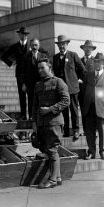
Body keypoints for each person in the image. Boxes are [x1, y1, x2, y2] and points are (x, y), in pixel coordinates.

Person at [32, 59, 70, 189]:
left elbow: (66, 101)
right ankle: (58, 177)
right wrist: (34, 123)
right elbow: (35, 106)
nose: (40, 70)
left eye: (43, 67)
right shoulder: (38, 85)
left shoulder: (58, 82)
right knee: (47, 150)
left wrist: (50, 109)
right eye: (39, 68)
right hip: (42, 124)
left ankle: (52, 180)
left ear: (49, 67)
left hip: (54, 122)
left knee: (52, 149)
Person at [52, 35, 86, 140]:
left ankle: (76, 131)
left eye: (63, 44)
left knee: (74, 110)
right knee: (64, 111)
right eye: (60, 45)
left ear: (67, 44)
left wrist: (78, 80)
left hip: (72, 88)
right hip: (61, 90)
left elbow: (82, 70)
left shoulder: (73, 55)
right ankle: (66, 131)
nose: (61, 46)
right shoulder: (56, 57)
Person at [81, 52, 104, 160]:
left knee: (103, 131)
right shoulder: (88, 75)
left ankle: (103, 152)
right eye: (96, 62)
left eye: (100, 62)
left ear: (103, 63)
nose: (97, 64)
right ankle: (91, 152)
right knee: (89, 131)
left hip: (103, 107)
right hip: (89, 108)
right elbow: (83, 91)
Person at [0, 26, 30, 120]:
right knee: (22, 95)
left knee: (31, 95)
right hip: (20, 74)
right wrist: (11, 62)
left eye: (25, 34)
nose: (23, 36)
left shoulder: (31, 46)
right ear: (19, 35)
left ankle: (32, 115)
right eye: (22, 34)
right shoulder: (15, 46)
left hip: (30, 73)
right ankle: (23, 115)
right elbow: (3, 56)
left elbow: (42, 53)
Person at [20, 37, 48, 120]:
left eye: (36, 45)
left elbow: (47, 69)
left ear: (39, 46)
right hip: (29, 84)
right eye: (32, 45)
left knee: (41, 100)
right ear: (30, 46)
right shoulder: (26, 57)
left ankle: (41, 116)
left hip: (41, 83)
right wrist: (23, 84)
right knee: (31, 101)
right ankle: (32, 117)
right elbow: (22, 72)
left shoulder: (43, 55)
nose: (34, 47)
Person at [78, 40, 96, 135]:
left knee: (92, 110)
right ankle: (85, 130)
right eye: (86, 48)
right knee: (83, 110)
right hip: (81, 91)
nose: (88, 49)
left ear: (92, 49)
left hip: (91, 91)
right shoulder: (79, 60)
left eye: (90, 48)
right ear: (83, 49)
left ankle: (93, 130)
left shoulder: (95, 60)